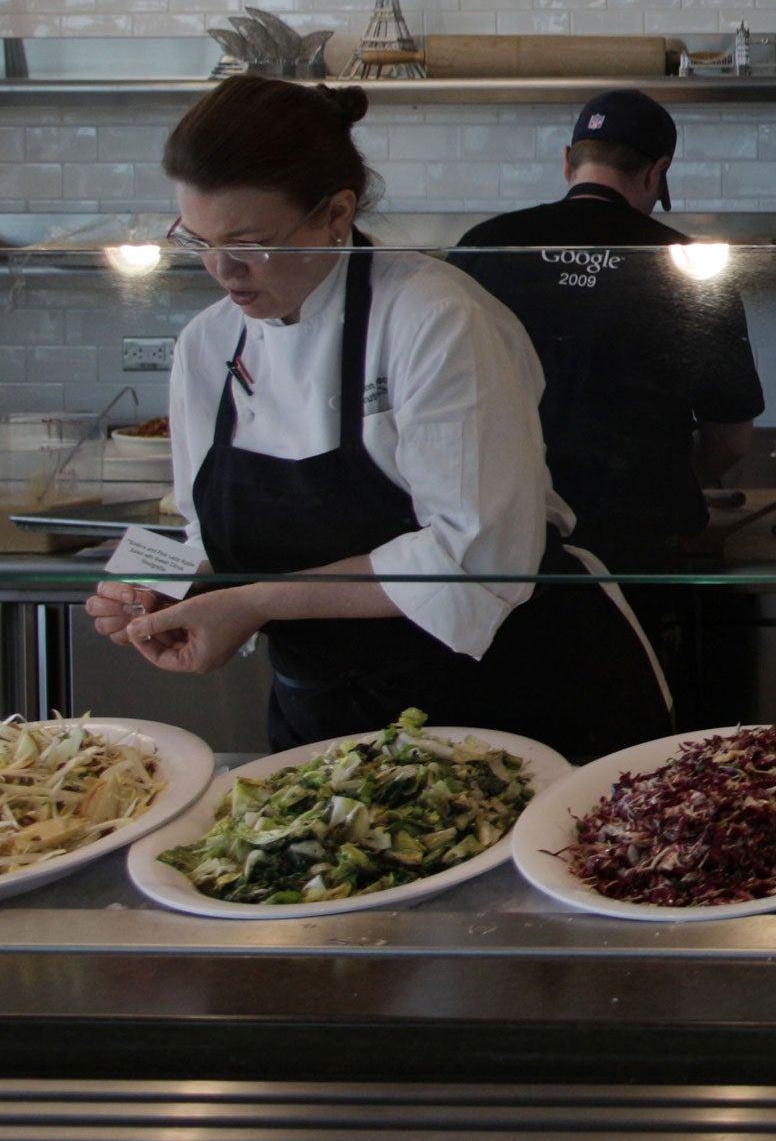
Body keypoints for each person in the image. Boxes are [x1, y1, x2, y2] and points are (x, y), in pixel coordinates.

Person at [84, 76, 674, 760]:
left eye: (250, 242)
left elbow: (474, 555)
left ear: (336, 211)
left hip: (502, 705)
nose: (223, 269)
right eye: (198, 241)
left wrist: (255, 603)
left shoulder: (437, 317)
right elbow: (201, 524)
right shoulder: (208, 344)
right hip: (322, 720)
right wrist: (155, 582)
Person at [448, 90, 764, 699]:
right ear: (657, 172)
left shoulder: (484, 246)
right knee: (639, 727)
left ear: (570, 161)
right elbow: (732, 436)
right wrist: (679, 474)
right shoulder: (688, 265)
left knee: (515, 730)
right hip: (640, 544)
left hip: (506, 540)